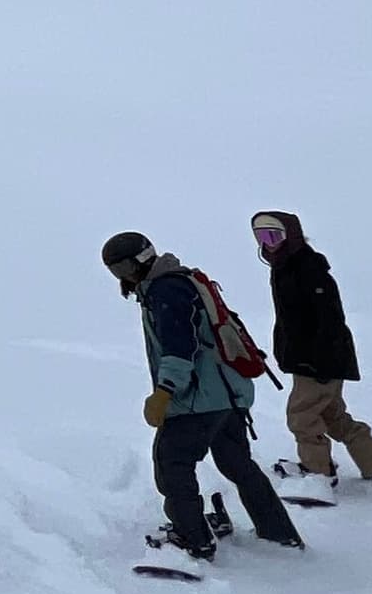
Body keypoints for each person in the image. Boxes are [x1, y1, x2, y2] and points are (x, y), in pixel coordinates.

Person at [101, 231, 303, 560]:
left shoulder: (166, 290)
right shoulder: (182, 281)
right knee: (237, 464)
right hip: (228, 394)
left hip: (199, 399)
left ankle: (193, 538)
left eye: (122, 269)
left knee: (172, 464)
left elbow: (180, 348)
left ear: (138, 262)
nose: (121, 278)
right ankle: (278, 533)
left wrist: (165, 392)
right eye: (114, 271)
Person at [248, 210, 372, 490]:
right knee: (333, 416)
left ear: (291, 236)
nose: (268, 243)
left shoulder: (307, 268)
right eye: (261, 236)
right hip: (312, 359)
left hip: (318, 361)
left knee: (302, 417)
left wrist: (320, 361)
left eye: (274, 235)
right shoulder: (285, 266)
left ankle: (318, 476)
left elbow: (330, 319)